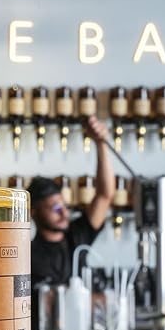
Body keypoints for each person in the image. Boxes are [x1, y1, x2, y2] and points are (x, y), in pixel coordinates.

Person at [27, 115, 115, 287]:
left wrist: (101, 144)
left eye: (64, 206)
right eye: (55, 208)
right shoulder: (27, 255)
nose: (64, 213)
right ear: (33, 212)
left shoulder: (77, 236)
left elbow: (105, 195)